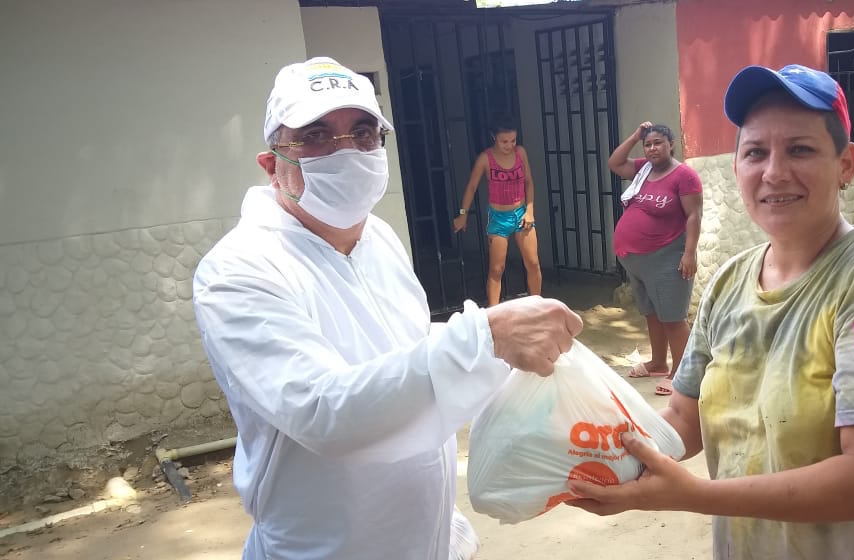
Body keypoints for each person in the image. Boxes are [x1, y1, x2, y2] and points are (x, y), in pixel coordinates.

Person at [192, 57, 582, 560]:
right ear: (272, 166)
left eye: (363, 132)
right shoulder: (240, 270)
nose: (346, 152)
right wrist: (486, 336)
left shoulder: (378, 237)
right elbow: (323, 412)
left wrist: (449, 534)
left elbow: (409, 360)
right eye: (315, 136)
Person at [568, 64, 854, 559]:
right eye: (755, 152)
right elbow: (683, 422)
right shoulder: (731, 282)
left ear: (847, 165)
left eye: (800, 149)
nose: (774, 172)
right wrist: (592, 450)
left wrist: (692, 496)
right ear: (736, 169)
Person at [608, 122, 703, 396]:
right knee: (651, 313)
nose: (652, 149)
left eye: (658, 143)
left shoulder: (684, 176)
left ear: (671, 144)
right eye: (648, 144)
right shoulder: (643, 169)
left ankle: (682, 375)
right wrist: (636, 134)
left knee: (673, 317)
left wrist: (689, 252)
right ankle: (659, 363)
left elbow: (694, 215)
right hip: (637, 261)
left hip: (666, 257)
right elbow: (615, 163)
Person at [452, 118, 542, 307]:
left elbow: (529, 182)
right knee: (496, 270)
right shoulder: (485, 158)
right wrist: (463, 214)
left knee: (533, 263)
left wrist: (530, 211)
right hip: (498, 218)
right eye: (504, 141)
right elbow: (471, 187)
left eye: (513, 140)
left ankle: (538, 307)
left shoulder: (521, 153)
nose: (509, 145)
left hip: (521, 214)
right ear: (494, 137)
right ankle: (493, 315)